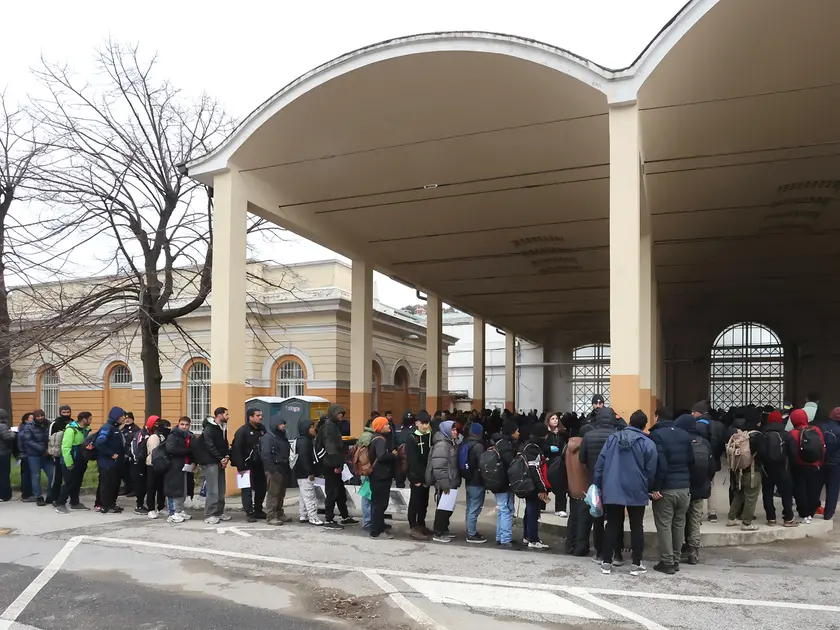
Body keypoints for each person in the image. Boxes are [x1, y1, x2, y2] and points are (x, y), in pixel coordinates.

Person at [594, 410, 657, 575]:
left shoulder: (612, 439)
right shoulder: (647, 443)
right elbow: (651, 469)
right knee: (637, 525)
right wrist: (648, 487)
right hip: (637, 488)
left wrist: (598, 484)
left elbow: (600, 464)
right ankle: (636, 564)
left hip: (613, 487)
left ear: (629, 422)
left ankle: (607, 562)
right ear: (644, 426)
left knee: (613, 524)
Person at [649, 406, 694, 575]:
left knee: (664, 525)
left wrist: (655, 487)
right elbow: (691, 460)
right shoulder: (684, 435)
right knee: (679, 524)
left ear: (657, 417)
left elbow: (660, 464)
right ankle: (675, 559)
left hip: (666, 489)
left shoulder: (657, 435)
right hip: (684, 488)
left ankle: (667, 562)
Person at [579, 407, 621, 563]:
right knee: (615, 519)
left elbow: (582, 459)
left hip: (595, 483)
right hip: (614, 483)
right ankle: (617, 553)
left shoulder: (588, 436)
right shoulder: (618, 436)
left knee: (597, 518)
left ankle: (599, 553)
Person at [675, 414, 716, 565]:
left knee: (680, 518)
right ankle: (693, 551)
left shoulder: (680, 440)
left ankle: (678, 550)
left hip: (683, 486)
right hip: (700, 487)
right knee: (694, 519)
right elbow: (712, 467)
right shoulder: (704, 442)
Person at [319, 404, 357, 529]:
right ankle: (328, 519)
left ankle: (344, 516)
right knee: (332, 491)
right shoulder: (330, 427)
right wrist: (336, 465)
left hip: (334, 462)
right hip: (331, 464)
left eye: (342, 413)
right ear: (333, 413)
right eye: (339, 413)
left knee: (339, 491)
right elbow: (331, 447)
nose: (341, 415)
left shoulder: (333, 425)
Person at [726, 412, 764, 531]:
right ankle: (747, 523)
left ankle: (731, 518)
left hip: (739, 470)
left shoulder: (740, 434)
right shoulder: (758, 436)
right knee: (751, 497)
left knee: (739, 495)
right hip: (753, 471)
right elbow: (763, 454)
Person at [759, 410, 797, 527]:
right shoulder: (786, 434)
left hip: (767, 469)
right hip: (783, 468)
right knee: (786, 493)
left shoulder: (763, 434)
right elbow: (793, 453)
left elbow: (759, 453)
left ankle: (771, 518)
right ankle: (788, 519)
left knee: (767, 493)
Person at [788, 408, 825, 524]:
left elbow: (791, 452)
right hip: (815, 465)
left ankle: (804, 513)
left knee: (800, 490)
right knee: (813, 489)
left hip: (799, 466)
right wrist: (820, 462)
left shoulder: (792, 433)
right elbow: (823, 448)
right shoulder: (816, 430)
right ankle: (811, 511)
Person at [692, 401, 726, 522]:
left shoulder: (696, 425)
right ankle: (712, 513)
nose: (692, 414)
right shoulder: (718, 425)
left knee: (698, 484)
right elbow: (722, 444)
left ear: (698, 413)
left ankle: (698, 512)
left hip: (699, 460)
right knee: (711, 484)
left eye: (693, 412)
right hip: (713, 460)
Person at [231, 408, 267, 523]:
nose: (260, 417)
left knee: (261, 488)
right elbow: (237, 449)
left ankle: (258, 509)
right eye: (257, 415)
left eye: (261, 415)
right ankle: (249, 512)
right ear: (250, 417)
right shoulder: (243, 431)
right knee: (247, 489)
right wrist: (240, 466)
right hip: (246, 465)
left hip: (260, 464)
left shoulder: (262, 429)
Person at [427, 420, 461, 543]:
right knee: (443, 508)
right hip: (446, 482)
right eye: (453, 430)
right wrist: (444, 484)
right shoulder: (442, 445)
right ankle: (438, 532)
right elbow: (439, 466)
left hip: (451, 480)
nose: (455, 432)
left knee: (448, 508)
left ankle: (444, 529)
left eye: (455, 429)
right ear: (446, 431)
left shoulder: (449, 443)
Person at [54, 411, 94, 513]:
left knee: (77, 482)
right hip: (70, 460)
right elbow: (66, 447)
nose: (91, 421)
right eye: (90, 419)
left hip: (80, 460)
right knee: (69, 482)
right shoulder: (71, 430)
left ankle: (74, 502)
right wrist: (69, 463)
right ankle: (60, 503)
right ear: (84, 419)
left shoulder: (85, 430)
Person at [520, 424, 551, 549]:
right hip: (532, 485)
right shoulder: (534, 448)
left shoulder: (528, 445)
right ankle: (533, 539)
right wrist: (542, 488)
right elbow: (535, 470)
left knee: (529, 510)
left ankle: (527, 536)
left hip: (528, 483)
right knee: (533, 511)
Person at [404, 410, 433, 540]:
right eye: (423, 423)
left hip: (426, 475)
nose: (425, 426)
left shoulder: (429, 435)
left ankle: (421, 524)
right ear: (417, 423)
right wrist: (416, 478)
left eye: (427, 423)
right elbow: (412, 461)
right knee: (415, 502)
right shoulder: (411, 438)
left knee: (424, 502)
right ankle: (413, 527)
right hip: (416, 476)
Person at [260, 414, 292, 526]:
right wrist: (271, 469)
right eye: (281, 424)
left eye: (284, 424)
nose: (283, 426)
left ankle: (279, 513)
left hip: (283, 467)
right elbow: (265, 455)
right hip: (274, 468)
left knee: (281, 493)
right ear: (275, 425)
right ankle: (271, 516)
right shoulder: (268, 438)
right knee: (273, 493)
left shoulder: (281, 436)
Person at [200, 407, 231, 524]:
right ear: (219, 415)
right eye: (226, 414)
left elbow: (224, 443)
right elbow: (209, 445)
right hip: (211, 461)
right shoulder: (209, 428)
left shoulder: (222, 427)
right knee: (213, 489)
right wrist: (220, 458)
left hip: (220, 461)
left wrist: (226, 456)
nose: (228, 416)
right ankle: (210, 514)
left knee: (221, 488)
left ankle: (219, 512)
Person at [96, 406, 127, 514]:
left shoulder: (115, 428)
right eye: (122, 416)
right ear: (116, 417)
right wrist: (111, 454)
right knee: (107, 485)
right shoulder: (107, 428)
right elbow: (100, 443)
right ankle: (105, 505)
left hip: (115, 464)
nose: (124, 418)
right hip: (107, 463)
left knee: (114, 484)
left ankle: (112, 504)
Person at [368, 416, 396, 539]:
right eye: (386, 424)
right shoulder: (380, 440)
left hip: (379, 475)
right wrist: (393, 455)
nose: (388, 426)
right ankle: (376, 531)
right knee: (379, 503)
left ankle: (380, 524)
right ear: (380, 427)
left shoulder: (377, 438)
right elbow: (381, 456)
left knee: (380, 503)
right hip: (380, 475)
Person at [19, 409, 52, 506]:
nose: (40, 417)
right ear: (34, 417)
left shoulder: (49, 425)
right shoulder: (28, 427)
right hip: (34, 455)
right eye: (38, 416)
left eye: (42, 415)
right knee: (36, 476)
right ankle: (38, 497)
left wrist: (50, 450)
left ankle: (50, 495)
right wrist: (42, 450)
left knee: (52, 475)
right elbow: (28, 441)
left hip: (48, 455)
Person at [164, 416, 194, 524]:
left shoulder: (189, 435)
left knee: (183, 490)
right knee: (174, 490)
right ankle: (172, 513)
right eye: (182, 424)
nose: (184, 427)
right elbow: (170, 449)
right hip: (174, 466)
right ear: (178, 424)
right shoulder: (173, 436)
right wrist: (187, 451)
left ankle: (180, 510)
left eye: (186, 425)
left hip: (185, 466)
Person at [294, 418, 323, 525]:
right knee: (310, 495)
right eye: (311, 427)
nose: (313, 429)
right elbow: (305, 458)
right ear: (306, 429)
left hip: (300, 473)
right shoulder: (305, 442)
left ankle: (303, 515)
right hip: (305, 473)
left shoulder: (300, 440)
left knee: (303, 495)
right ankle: (313, 517)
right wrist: (310, 471)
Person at [463, 422, 487, 544]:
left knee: (470, 506)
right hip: (477, 481)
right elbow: (482, 464)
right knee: (475, 507)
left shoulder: (466, 443)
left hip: (469, 479)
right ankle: (471, 534)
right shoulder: (478, 446)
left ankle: (470, 530)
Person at [48, 405, 73, 507]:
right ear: (60, 412)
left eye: (68, 412)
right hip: (58, 454)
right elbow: (50, 439)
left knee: (70, 478)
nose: (66, 414)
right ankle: (54, 498)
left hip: (70, 454)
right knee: (57, 478)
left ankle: (72, 498)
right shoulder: (55, 423)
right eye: (64, 412)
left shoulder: (73, 423)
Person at [145, 417, 169, 518]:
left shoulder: (164, 436)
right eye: (166, 427)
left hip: (162, 465)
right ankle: (151, 509)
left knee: (161, 488)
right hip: (152, 465)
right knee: (151, 487)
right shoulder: (154, 437)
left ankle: (161, 507)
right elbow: (154, 453)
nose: (168, 429)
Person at [544, 412, 567, 517]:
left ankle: (560, 508)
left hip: (559, 461)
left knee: (560, 485)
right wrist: (548, 448)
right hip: (547, 461)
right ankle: (541, 505)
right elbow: (540, 445)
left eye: (556, 418)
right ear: (548, 420)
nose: (555, 420)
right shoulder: (545, 433)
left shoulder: (562, 433)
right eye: (552, 418)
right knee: (545, 484)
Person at [355, 417, 376, 531]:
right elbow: (366, 455)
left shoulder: (367, 435)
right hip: (366, 470)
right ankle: (367, 522)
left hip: (366, 469)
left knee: (369, 497)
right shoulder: (368, 436)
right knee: (367, 497)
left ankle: (371, 520)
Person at [820, 408, 840, 520]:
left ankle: (811, 508)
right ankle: (828, 513)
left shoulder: (822, 427)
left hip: (821, 461)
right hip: (835, 463)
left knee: (816, 486)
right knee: (833, 488)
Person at [120, 411, 140, 496]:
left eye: (129, 418)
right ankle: (127, 488)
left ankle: (134, 489)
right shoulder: (123, 428)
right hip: (124, 453)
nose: (127, 420)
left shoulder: (136, 429)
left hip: (132, 453)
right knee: (125, 473)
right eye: (126, 418)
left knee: (133, 473)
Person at [0, 409, 14, 502]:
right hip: (3, 453)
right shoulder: (2, 426)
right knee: (4, 474)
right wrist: (12, 433)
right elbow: (8, 437)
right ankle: (5, 495)